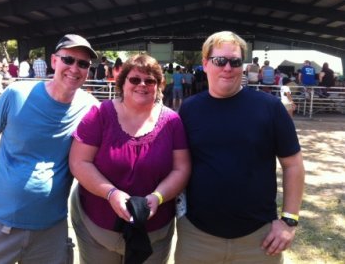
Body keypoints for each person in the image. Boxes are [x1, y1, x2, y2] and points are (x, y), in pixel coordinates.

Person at [0, 34, 99, 264]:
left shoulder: (91, 109)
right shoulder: (17, 94)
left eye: (83, 63)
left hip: (51, 230)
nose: (74, 68)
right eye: (68, 59)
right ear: (54, 61)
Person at [175, 31, 305, 264]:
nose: (227, 68)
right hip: (197, 236)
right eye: (219, 61)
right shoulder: (189, 109)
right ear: (205, 64)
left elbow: (293, 164)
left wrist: (289, 220)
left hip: (259, 239)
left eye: (235, 61)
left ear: (242, 66)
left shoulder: (270, 108)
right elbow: (177, 165)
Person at [69, 54, 191, 264]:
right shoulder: (99, 114)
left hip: (155, 232)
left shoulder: (172, 121)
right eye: (135, 79)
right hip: (98, 229)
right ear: (122, 82)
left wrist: (158, 197)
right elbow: (79, 162)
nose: (142, 85)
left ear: (158, 85)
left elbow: (181, 168)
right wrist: (111, 193)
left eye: (150, 80)